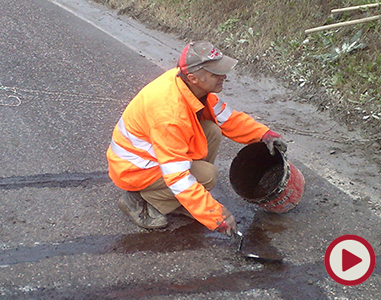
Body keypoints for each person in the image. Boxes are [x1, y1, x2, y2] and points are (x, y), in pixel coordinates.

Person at [106, 41, 287, 237]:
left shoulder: (190, 86)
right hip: (135, 168)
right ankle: (141, 201)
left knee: (211, 130)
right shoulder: (169, 115)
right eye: (215, 74)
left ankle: (182, 200)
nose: (223, 76)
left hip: (153, 154)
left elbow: (226, 118)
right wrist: (215, 216)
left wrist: (263, 134)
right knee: (207, 176)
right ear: (193, 77)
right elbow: (178, 178)